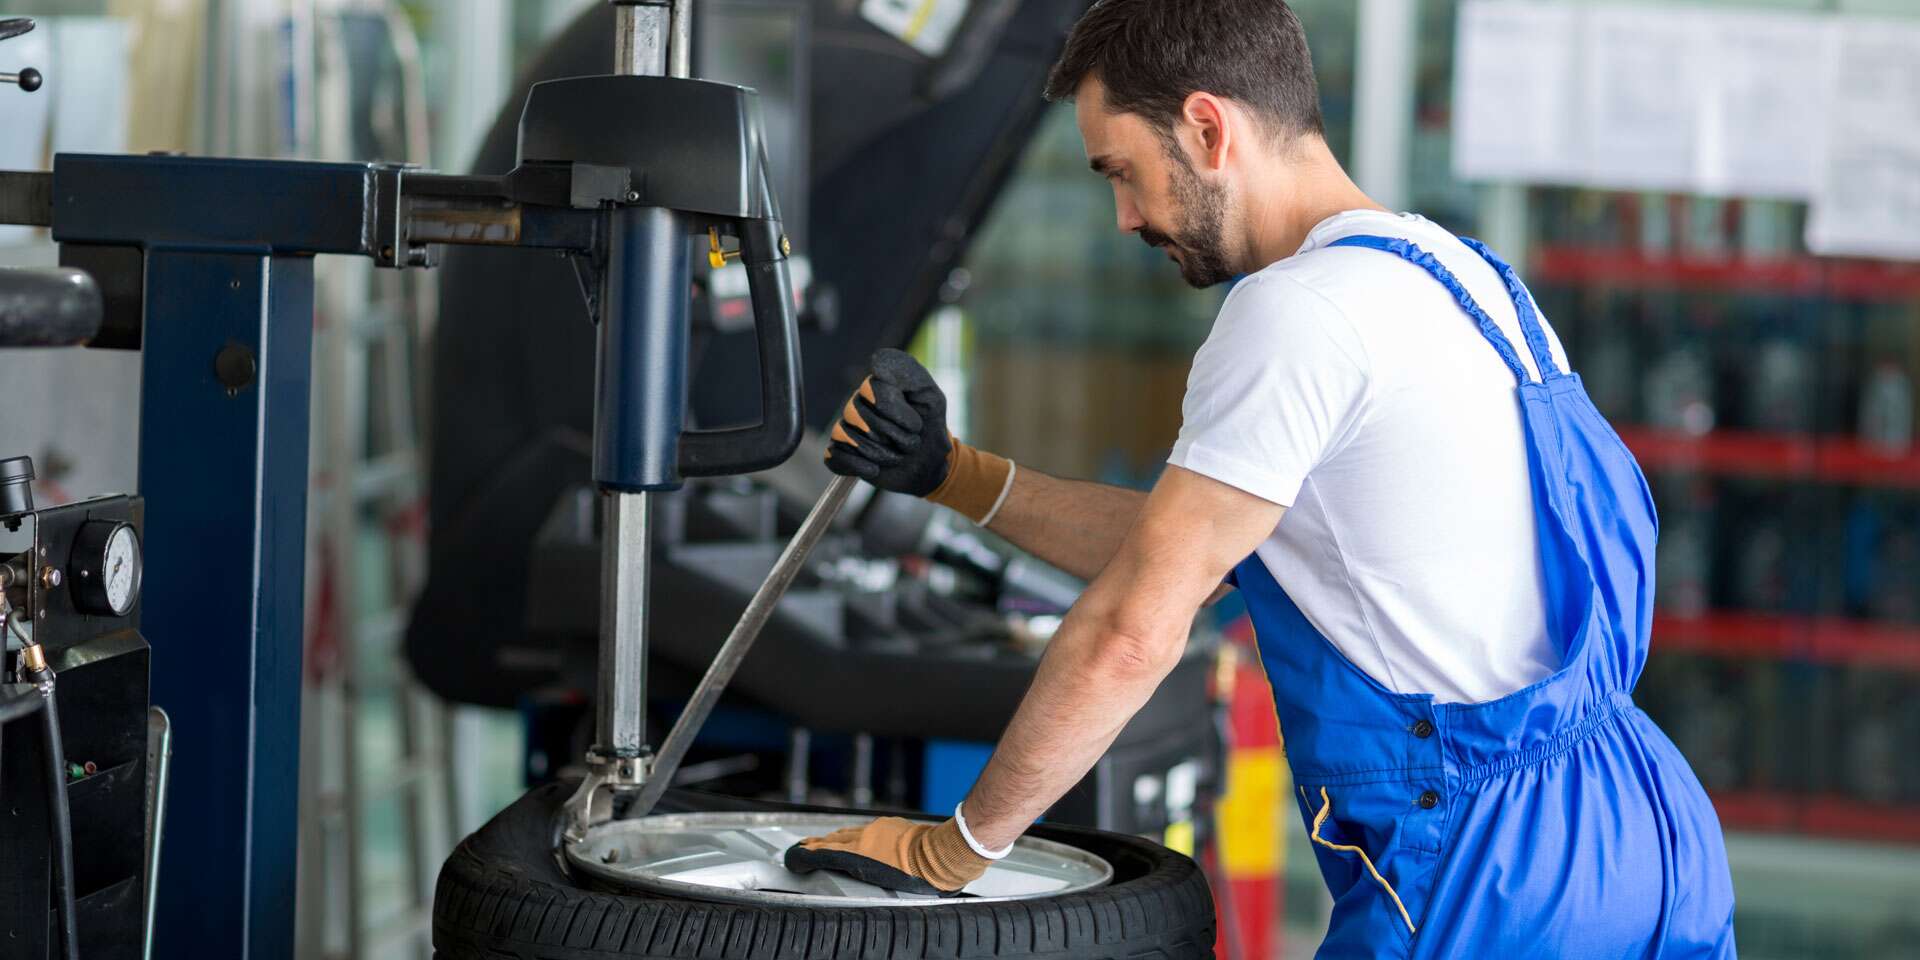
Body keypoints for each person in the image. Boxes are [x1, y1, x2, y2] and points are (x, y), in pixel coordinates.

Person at [783, 0, 1737, 955]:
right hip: (1643, 827)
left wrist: (956, 849)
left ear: (1207, 127)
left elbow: (1133, 628)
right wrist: (955, 475)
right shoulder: (1462, 276)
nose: (1125, 218)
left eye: (1123, 172)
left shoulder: (1296, 312)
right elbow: (1202, 549)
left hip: (1492, 868)